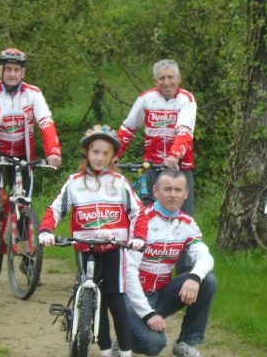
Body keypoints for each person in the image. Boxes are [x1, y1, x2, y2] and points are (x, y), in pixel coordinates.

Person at [37, 125, 142, 357]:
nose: (100, 157)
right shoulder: (74, 182)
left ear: (113, 156)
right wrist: (46, 230)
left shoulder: (120, 183)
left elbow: (138, 213)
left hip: (114, 249)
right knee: (98, 300)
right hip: (85, 248)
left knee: (115, 299)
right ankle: (105, 350)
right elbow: (55, 209)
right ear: (87, 152)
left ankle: (125, 352)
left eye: (106, 153)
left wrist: (138, 238)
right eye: (96, 152)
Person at [125, 170, 217, 357]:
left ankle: (187, 343)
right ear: (155, 191)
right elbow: (128, 273)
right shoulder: (140, 220)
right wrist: (147, 314)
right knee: (154, 344)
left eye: (178, 190)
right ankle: (124, 339)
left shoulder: (187, 224)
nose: (173, 195)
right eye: (167, 189)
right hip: (131, 296)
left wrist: (194, 277)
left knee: (207, 280)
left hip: (160, 294)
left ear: (186, 194)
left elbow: (205, 257)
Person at [0, 48, 62, 218]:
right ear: (0, 71)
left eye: (17, 70)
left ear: (23, 73)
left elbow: (46, 122)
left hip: (22, 155)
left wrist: (53, 151)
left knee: (24, 203)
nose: (12, 74)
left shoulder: (33, 94)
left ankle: (22, 238)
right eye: (8, 69)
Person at [117, 59, 197, 215]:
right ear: (155, 81)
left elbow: (185, 131)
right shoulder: (146, 99)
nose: (167, 82)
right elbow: (128, 128)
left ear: (178, 78)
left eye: (170, 77)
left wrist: (174, 155)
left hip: (179, 167)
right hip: (152, 167)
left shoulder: (186, 99)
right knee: (147, 216)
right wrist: (113, 155)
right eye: (162, 78)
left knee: (184, 217)